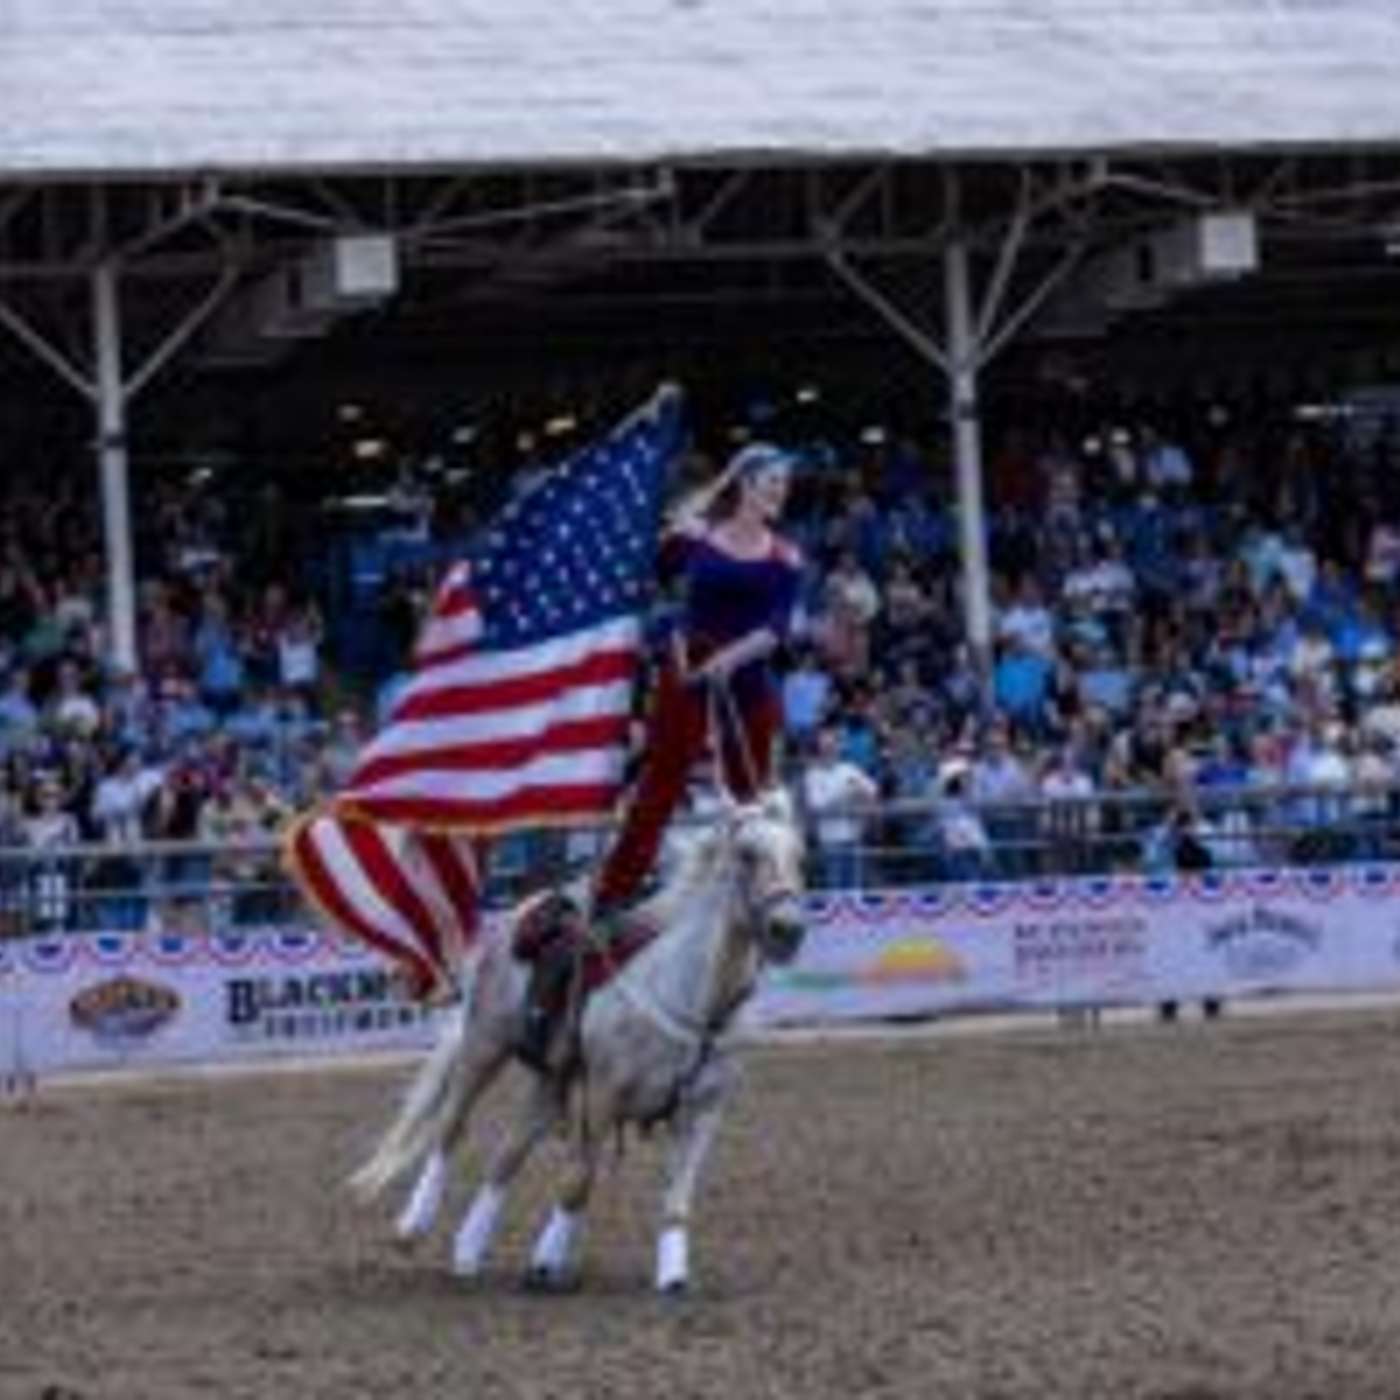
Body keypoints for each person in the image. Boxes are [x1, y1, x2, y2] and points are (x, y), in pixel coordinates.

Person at [517, 442, 803, 1065]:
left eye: (784, 482)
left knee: (753, 804)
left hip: (747, 682)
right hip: (684, 671)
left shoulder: (785, 556)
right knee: (658, 788)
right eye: (769, 480)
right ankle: (613, 893)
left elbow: (776, 629)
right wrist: (712, 488)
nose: (779, 491)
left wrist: (725, 661)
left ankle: (757, 903)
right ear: (744, 484)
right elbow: (658, 546)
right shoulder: (699, 536)